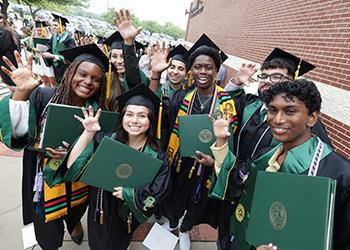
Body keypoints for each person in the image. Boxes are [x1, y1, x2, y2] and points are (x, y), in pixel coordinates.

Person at [209, 79, 350, 249]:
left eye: (290, 111)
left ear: (312, 118)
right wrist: (221, 140)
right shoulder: (264, 156)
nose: (277, 119)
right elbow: (235, 180)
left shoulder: (340, 175)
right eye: (272, 110)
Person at [0, 43, 111, 250]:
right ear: (70, 73)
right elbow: (18, 136)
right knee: (48, 233)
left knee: (76, 207)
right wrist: (22, 94)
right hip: (44, 180)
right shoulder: (45, 97)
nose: (88, 82)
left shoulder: (97, 111)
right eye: (83, 74)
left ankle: (73, 222)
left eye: (96, 79)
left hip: (78, 180)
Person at [65, 84, 171, 250]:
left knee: (120, 240)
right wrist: (88, 133)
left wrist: (129, 193)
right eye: (129, 114)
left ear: (151, 120)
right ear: (122, 117)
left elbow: (159, 191)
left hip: (127, 210)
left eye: (142, 116)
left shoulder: (157, 155)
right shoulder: (105, 140)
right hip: (100, 206)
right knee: (98, 242)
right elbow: (72, 166)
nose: (134, 120)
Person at [161, 34, 239, 250]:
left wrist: (213, 159)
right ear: (191, 70)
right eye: (197, 67)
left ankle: (185, 229)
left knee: (197, 201)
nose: (203, 72)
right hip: (181, 159)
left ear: (216, 71)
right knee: (176, 195)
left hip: (208, 163)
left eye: (209, 67)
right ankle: (172, 223)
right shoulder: (183, 96)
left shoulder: (226, 101)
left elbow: (228, 134)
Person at [224, 48, 331, 163]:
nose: (267, 81)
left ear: (292, 81)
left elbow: (319, 161)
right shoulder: (250, 104)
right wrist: (237, 81)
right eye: (264, 76)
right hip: (232, 172)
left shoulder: (304, 122)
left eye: (276, 77)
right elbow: (225, 105)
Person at [42, 13, 75, 83]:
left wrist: (53, 56)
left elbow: (70, 57)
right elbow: (49, 47)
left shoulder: (69, 39)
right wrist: (45, 52)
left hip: (65, 66)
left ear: (63, 27)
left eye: (56, 25)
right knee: (57, 82)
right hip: (56, 65)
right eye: (52, 25)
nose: (53, 27)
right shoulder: (54, 37)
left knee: (64, 83)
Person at [27, 20, 56, 87]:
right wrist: (33, 49)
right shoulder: (34, 37)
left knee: (53, 82)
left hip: (47, 61)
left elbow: (54, 51)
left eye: (41, 30)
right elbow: (29, 48)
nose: (39, 32)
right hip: (38, 61)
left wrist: (43, 51)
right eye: (38, 30)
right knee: (45, 81)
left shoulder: (51, 38)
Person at [0, 13, 20, 86]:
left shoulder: (4, 32)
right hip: (11, 62)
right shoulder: (10, 30)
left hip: (7, 63)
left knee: (13, 86)